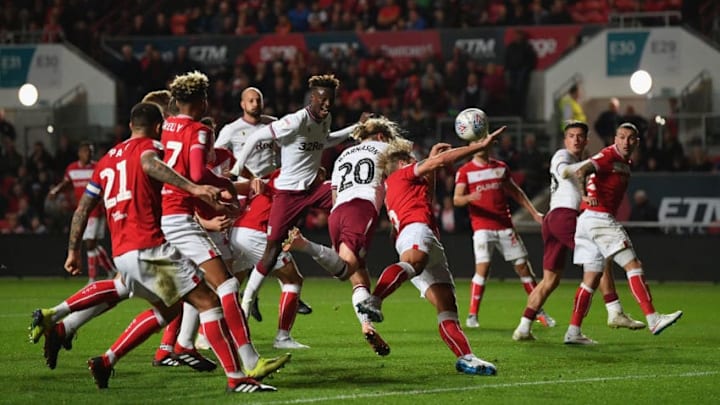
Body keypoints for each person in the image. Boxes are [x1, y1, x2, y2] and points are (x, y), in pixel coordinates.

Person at [33, 102, 276, 392]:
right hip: (150, 246)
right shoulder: (151, 149)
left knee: (163, 308)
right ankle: (237, 378)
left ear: (129, 125)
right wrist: (197, 189)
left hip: (122, 251)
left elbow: (82, 209)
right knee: (210, 302)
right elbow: (151, 165)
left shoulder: (107, 159)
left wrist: (72, 250)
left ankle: (98, 354)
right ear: (159, 126)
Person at [159, 71, 290, 377]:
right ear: (202, 100)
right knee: (227, 285)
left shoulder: (168, 125)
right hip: (181, 218)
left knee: (153, 293)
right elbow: (196, 173)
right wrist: (225, 185)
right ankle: (249, 362)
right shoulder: (198, 131)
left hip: (165, 214)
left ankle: (173, 347)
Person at [356, 126, 507, 376]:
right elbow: (443, 161)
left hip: (426, 237)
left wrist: (434, 165)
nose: (419, 160)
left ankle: (466, 358)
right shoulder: (404, 173)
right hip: (416, 231)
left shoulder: (400, 184)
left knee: (447, 307)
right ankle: (375, 299)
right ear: (404, 162)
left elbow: (427, 196)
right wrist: (477, 147)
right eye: (415, 158)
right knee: (413, 262)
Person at [228, 74, 366, 314]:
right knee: (271, 252)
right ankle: (247, 301)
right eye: (322, 100)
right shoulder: (294, 121)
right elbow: (256, 136)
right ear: (312, 98)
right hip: (288, 194)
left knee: (348, 194)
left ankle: (347, 252)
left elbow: (325, 140)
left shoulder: (325, 118)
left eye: (330, 100)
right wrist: (237, 168)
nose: (327, 105)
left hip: (312, 188)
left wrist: (356, 128)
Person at [282, 116, 407, 356]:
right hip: (360, 208)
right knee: (346, 269)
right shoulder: (387, 147)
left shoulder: (343, 155)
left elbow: (335, 194)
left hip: (337, 213)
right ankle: (304, 244)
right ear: (381, 136)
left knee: (358, 276)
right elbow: (406, 169)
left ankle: (366, 325)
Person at [512, 121, 646, 343]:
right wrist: (597, 162)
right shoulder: (562, 156)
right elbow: (565, 172)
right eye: (571, 136)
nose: (575, 139)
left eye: (579, 136)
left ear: (586, 140)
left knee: (550, 280)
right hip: (564, 216)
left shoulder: (582, 160)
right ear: (565, 140)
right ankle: (613, 310)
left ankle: (524, 327)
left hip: (554, 219)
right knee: (601, 258)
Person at [566, 122, 682, 344]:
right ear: (615, 138)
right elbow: (582, 171)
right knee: (633, 265)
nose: (626, 142)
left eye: (631, 138)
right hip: (598, 218)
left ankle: (573, 331)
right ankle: (653, 318)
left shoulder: (623, 162)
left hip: (586, 222)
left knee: (590, 279)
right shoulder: (608, 155)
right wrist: (583, 195)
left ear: (636, 142)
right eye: (621, 137)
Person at [215, 86, 312, 317]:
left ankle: (278, 292)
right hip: (244, 191)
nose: (255, 104)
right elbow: (217, 157)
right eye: (250, 100)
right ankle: (254, 295)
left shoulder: (273, 124)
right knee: (246, 245)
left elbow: (289, 147)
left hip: (271, 189)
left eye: (258, 99)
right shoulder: (231, 130)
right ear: (242, 104)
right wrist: (228, 180)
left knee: (274, 237)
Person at [453, 142, 553, 329]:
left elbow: (516, 192)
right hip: (482, 227)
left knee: (524, 269)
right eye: (476, 142)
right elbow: (456, 199)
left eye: (483, 141)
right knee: (483, 268)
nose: (480, 145)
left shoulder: (500, 168)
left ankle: (538, 311)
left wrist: (533, 213)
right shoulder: (465, 171)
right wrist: (468, 198)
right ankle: (472, 315)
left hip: (505, 226)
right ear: (471, 145)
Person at [49, 142, 116, 283]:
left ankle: (92, 278)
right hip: (83, 210)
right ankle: (110, 270)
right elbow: (66, 183)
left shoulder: (97, 167)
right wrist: (56, 191)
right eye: (86, 151)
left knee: (90, 244)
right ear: (80, 153)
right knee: (93, 244)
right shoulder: (72, 169)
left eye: (91, 152)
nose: (89, 154)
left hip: (96, 209)